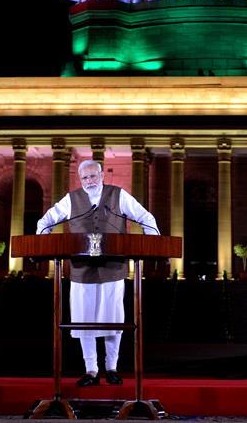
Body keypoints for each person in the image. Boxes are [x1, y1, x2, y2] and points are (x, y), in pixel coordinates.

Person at [36, 159, 159, 387]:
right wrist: (43, 241)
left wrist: (154, 244)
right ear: (79, 179)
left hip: (112, 270)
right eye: (84, 178)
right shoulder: (71, 199)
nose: (89, 181)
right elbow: (46, 221)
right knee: (85, 321)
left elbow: (146, 218)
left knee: (113, 320)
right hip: (81, 272)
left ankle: (111, 367)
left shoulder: (118, 195)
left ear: (102, 175)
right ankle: (91, 369)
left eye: (93, 176)